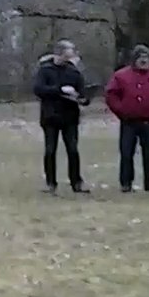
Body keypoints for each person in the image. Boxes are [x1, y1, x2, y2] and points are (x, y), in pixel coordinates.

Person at [106, 45, 149, 192]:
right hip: (129, 121)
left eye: (146, 58)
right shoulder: (121, 76)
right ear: (134, 60)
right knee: (126, 152)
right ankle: (126, 183)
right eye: (140, 58)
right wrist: (120, 110)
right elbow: (111, 94)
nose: (143, 61)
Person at [33, 40, 91, 194]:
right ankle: (50, 183)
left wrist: (81, 98)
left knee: (73, 150)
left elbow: (84, 94)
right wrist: (60, 90)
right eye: (68, 54)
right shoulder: (45, 70)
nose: (71, 57)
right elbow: (38, 89)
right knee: (50, 150)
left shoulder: (74, 72)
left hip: (70, 118)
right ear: (60, 53)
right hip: (50, 117)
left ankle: (76, 182)